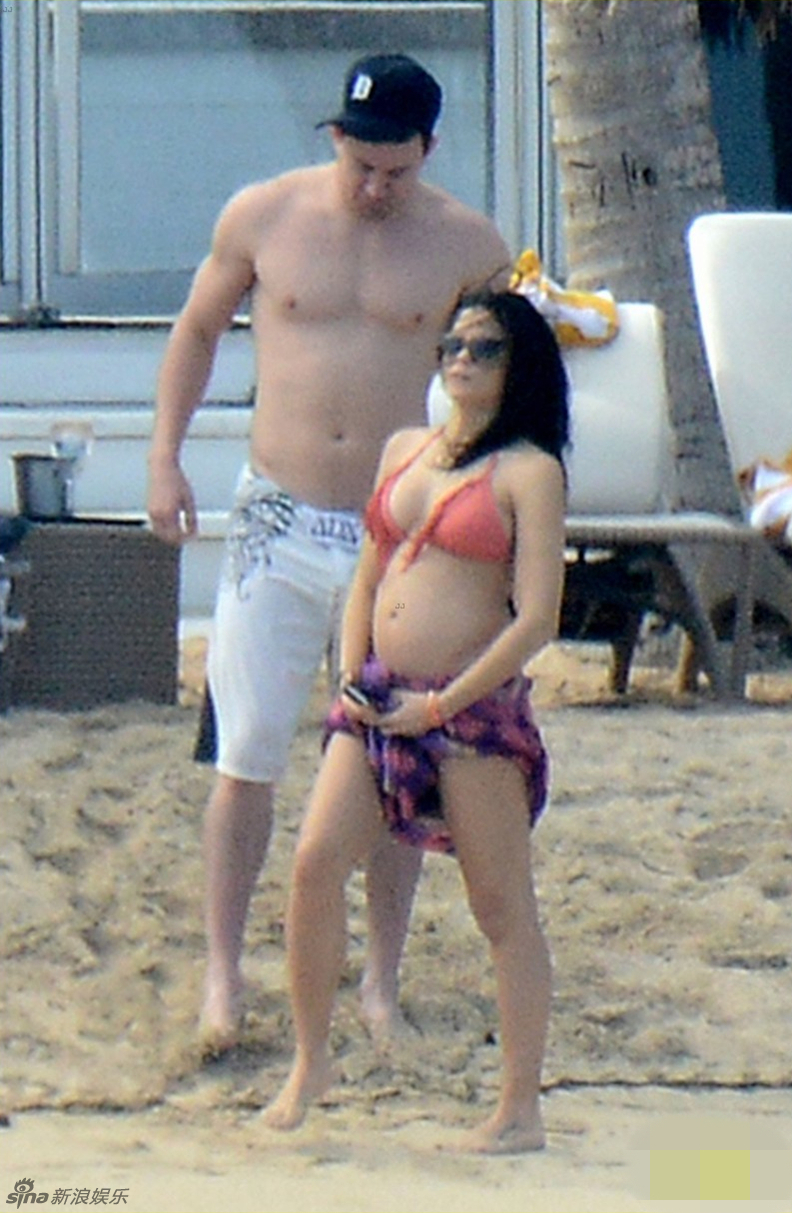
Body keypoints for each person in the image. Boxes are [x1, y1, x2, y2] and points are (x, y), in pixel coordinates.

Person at [146, 53, 511, 1052]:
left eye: (396, 170)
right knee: (246, 753)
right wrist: (165, 458)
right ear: (335, 140)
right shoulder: (266, 214)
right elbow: (197, 330)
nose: (374, 187)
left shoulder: (468, 245)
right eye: (360, 165)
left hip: (398, 528)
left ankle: (380, 981)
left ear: (427, 151)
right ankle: (224, 977)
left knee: (393, 756)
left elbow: (509, 386)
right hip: (279, 511)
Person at [263, 289, 570, 1152]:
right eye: (453, 344)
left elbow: (536, 619)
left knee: (500, 905)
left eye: (485, 347)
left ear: (518, 367)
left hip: (468, 709)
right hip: (378, 696)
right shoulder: (406, 448)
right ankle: (310, 1061)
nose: (461, 359)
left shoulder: (529, 472)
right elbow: (369, 573)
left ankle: (518, 1107)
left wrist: (438, 703)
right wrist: (350, 673)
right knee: (314, 862)